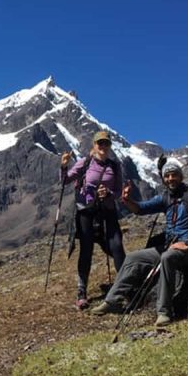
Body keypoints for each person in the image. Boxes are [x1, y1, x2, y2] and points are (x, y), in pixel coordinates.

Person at [91, 162, 188, 327]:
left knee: (167, 257)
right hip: (170, 245)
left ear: (181, 177)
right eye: (167, 176)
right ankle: (112, 301)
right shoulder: (165, 197)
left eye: (174, 175)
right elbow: (140, 209)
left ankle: (164, 312)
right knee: (133, 257)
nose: (170, 178)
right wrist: (127, 200)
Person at [61, 131, 126, 310]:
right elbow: (65, 181)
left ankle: (124, 288)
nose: (103, 146)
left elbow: (119, 192)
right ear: (94, 145)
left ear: (110, 146)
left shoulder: (115, 166)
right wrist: (64, 165)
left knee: (117, 247)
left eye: (106, 143)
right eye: (100, 143)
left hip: (107, 211)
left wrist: (109, 193)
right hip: (87, 212)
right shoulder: (85, 163)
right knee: (86, 250)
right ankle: (82, 293)